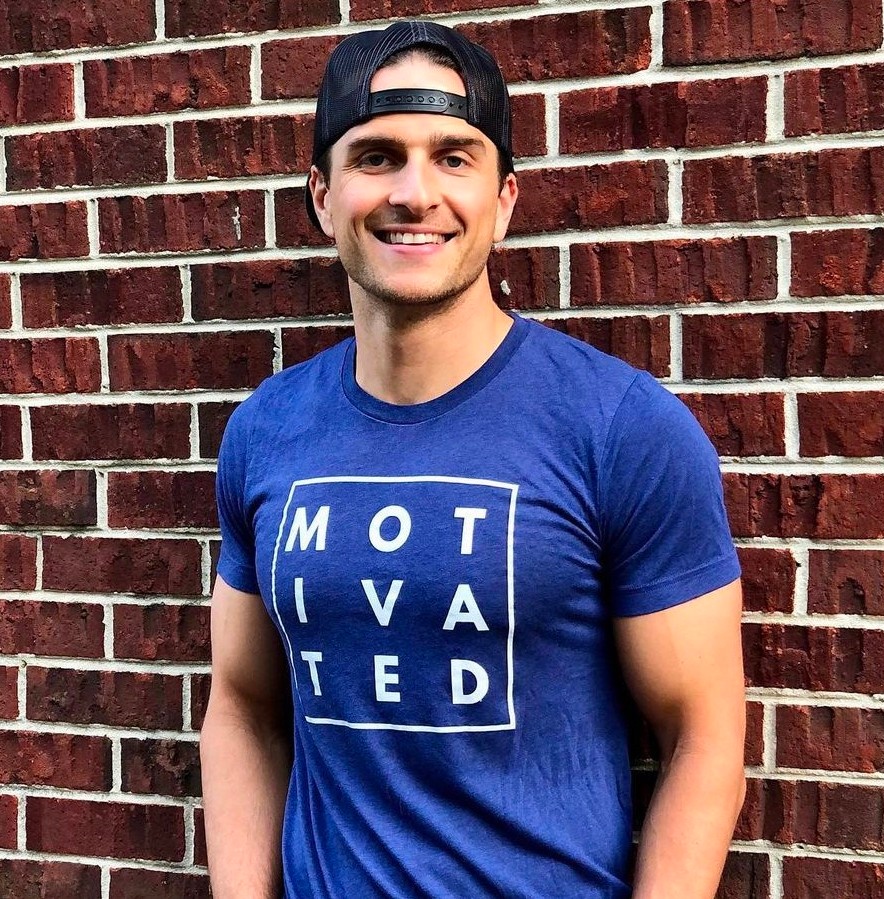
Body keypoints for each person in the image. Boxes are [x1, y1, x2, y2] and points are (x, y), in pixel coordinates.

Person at [201, 19, 746, 899]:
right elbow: (242, 706)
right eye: (376, 156)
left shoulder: (622, 428)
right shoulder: (266, 430)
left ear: (505, 199)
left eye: (454, 157)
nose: (415, 193)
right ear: (322, 196)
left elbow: (703, 738)